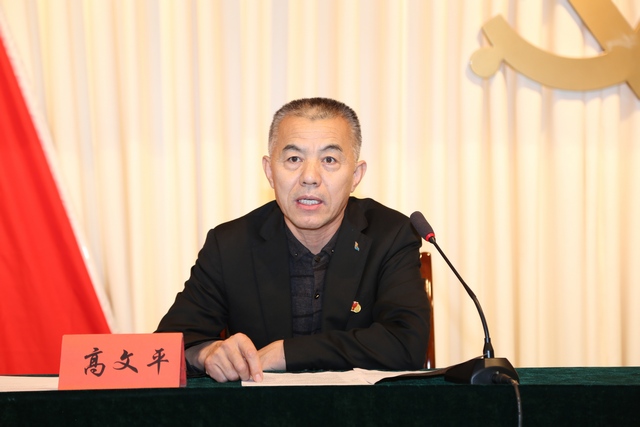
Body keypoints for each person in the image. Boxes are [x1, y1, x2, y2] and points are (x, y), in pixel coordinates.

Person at [156, 97, 430, 382]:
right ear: (269, 171)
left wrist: (287, 353)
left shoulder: (390, 235)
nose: (309, 177)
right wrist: (206, 352)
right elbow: (169, 344)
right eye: (294, 159)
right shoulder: (230, 245)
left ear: (356, 175)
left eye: (329, 160)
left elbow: (405, 344)